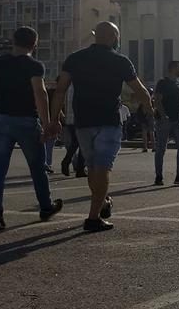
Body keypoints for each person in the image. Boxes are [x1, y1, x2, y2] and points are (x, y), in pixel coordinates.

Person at [51, 22, 151, 232]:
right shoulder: (120, 60)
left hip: (83, 120)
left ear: (95, 36)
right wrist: (149, 108)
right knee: (102, 167)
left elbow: (60, 90)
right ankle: (93, 218)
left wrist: (54, 119)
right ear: (115, 38)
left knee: (93, 166)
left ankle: (102, 201)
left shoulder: (75, 58)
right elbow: (140, 90)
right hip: (108, 120)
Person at [0, 27, 64, 231]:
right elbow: (40, 93)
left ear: (13, 41)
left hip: (1, 118)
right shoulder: (34, 65)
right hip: (26, 119)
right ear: (34, 45)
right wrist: (47, 124)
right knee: (37, 167)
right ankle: (45, 207)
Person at [153, 61, 179, 187]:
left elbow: (173, 100)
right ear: (174, 68)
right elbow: (157, 100)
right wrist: (163, 115)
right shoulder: (162, 83)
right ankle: (158, 177)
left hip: (178, 119)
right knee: (161, 149)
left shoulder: (178, 84)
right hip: (164, 120)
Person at [59, 84, 86, 178]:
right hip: (80, 117)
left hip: (70, 118)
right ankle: (79, 168)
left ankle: (68, 162)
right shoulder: (81, 83)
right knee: (83, 143)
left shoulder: (68, 85)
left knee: (76, 142)